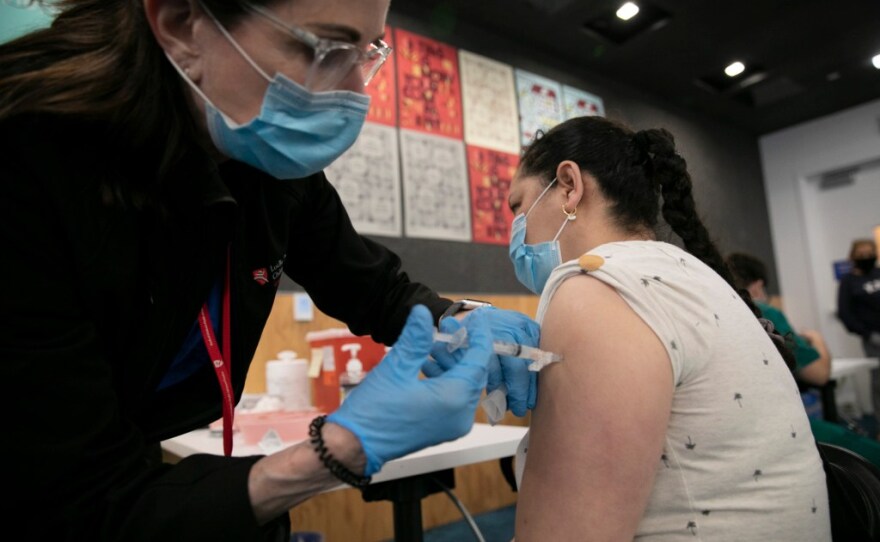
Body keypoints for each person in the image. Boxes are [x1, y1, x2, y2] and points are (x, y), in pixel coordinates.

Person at [0, 1, 539, 540]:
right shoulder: (28, 165)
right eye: (325, 49)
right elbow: (81, 500)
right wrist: (342, 446)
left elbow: (372, 286)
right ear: (181, 24)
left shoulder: (268, 165)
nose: (357, 92)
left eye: (366, 53)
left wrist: (454, 318)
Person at [503, 116, 830, 540]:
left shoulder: (593, 288)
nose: (514, 231)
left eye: (518, 205)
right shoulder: (696, 275)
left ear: (569, 185)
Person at [726, 252, 831, 387]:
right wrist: (817, 339)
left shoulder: (719, 311)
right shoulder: (766, 313)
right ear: (758, 286)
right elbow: (818, 374)